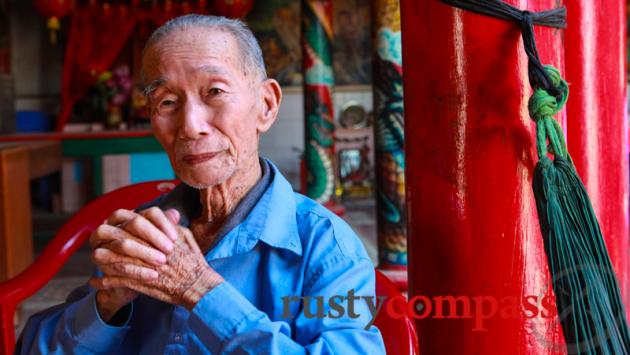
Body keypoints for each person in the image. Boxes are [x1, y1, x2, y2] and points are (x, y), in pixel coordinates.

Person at [17, 14, 386, 354]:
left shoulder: (326, 248)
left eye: (214, 92)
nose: (190, 125)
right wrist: (106, 306)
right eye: (167, 102)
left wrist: (201, 291)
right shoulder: (146, 231)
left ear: (266, 105)